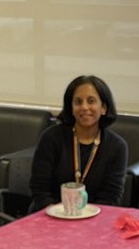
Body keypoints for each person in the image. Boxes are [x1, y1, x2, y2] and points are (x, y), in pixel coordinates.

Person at [30, 75, 128, 211]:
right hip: (49, 214)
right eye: (78, 102)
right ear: (71, 107)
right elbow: (40, 188)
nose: (84, 107)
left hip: (96, 217)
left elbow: (111, 196)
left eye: (91, 101)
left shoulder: (117, 147)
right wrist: (58, 213)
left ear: (104, 108)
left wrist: (88, 217)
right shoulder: (51, 138)